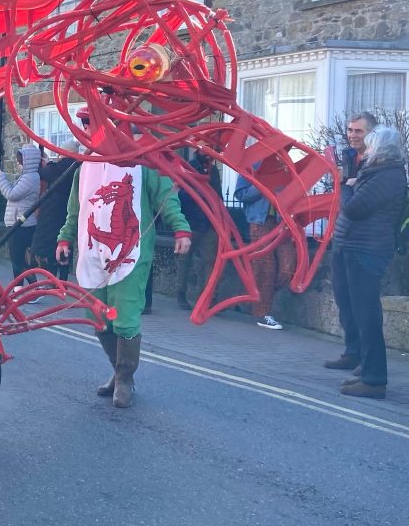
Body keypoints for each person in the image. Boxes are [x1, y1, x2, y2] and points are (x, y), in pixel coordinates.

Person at [56, 156, 191, 408]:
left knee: (125, 317)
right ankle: (118, 372)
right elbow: (76, 207)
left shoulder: (145, 161)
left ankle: (125, 379)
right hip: (92, 253)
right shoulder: (85, 165)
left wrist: (180, 228)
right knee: (98, 317)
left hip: (131, 253)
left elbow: (165, 196)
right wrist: (65, 237)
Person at [327, 127, 406, 400]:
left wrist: (346, 188)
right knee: (362, 312)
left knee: (368, 315)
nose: (367, 151)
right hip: (359, 247)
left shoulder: (388, 176)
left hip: (367, 250)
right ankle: (367, 370)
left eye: (371, 146)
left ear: (381, 149)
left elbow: (354, 209)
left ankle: (374, 380)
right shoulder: (381, 174)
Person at [325, 111, 378, 373]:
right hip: (343, 237)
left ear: (371, 134)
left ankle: (365, 360)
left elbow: (356, 203)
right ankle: (352, 351)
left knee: (362, 305)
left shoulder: (375, 162)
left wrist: (347, 183)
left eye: (358, 131)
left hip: (364, 242)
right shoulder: (347, 157)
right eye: (350, 130)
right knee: (344, 299)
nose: (352, 135)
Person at [234, 166, 296, 330]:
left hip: (281, 222)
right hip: (259, 222)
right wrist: (263, 185)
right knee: (265, 266)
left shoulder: (285, 167)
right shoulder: (250, 166)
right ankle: (263, 312)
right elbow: (240, 194)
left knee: (287, 267)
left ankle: (256, 298)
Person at [176, 148, 223, 310]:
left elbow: (218, 196)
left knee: (211, 261)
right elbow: (182, 194)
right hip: (192, 221)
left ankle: (208, 298)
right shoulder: (190, 167)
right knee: (184, 260)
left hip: (209, 222)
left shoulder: (213, 170)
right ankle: (181, 293)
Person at [29, 143, 79, 282]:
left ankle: (51, 280)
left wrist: (48, 162)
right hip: (67, 211)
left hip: (52, 212)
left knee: (48, 249)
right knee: (65, 248)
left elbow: (44, 173)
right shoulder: (79, 167)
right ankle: (62, 282)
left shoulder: (60, 167)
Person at [0, 145, 41, 291]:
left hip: (21, 224)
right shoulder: (29, 177)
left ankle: (29, 289)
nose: (18, 163)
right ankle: (24, 288)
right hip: (21, 222)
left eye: (20, 160)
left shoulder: (29, 178)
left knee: (18, 259)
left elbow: (11, 194)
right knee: (19, 259)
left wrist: (0, 178)